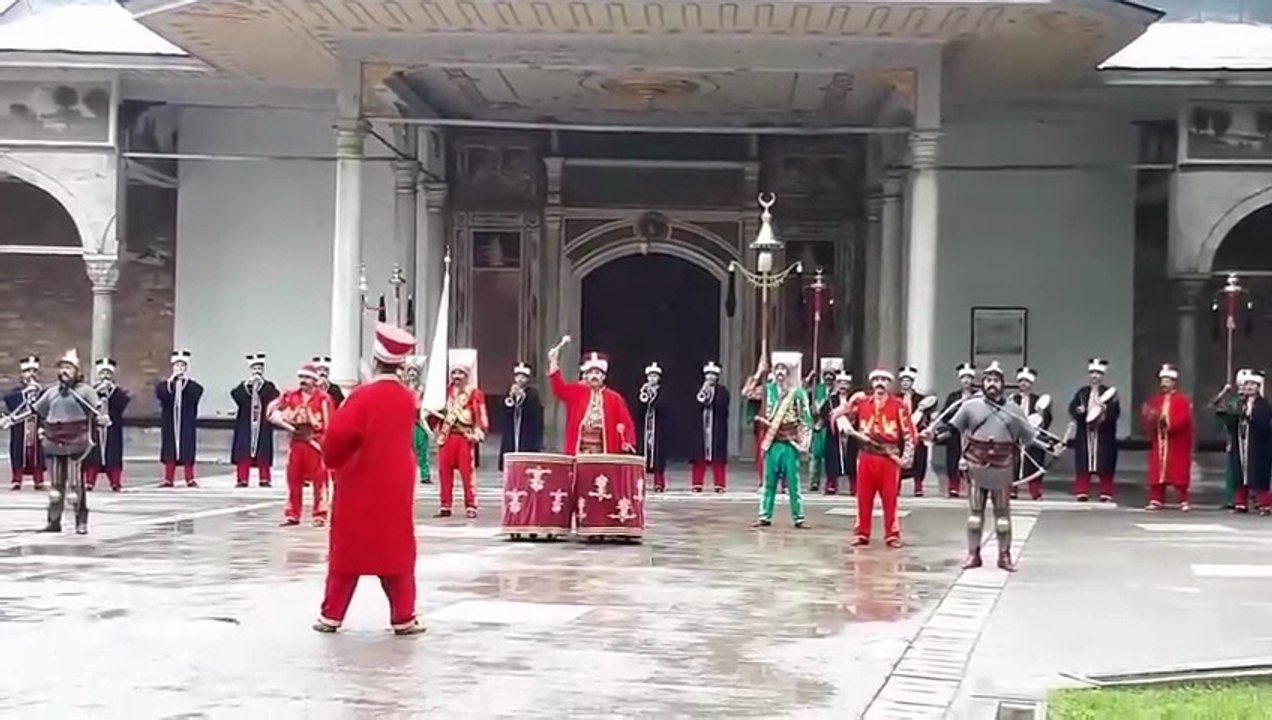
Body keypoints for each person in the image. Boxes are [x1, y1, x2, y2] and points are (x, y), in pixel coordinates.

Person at [313, 323, 425, 635]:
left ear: (374, 361)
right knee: (396, 551)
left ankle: (332, 614)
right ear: (401, 365)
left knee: (349, 552)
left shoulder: (360, 398)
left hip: (359, 484)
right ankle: (403, 616)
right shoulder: (407, 399)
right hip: (396, 487)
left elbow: (336, 439)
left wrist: (332, 461)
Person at [927, 361, 1055, 571]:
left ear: (1002, 384)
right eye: (988, 380)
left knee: (1003, 516)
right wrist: (934, 436)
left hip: (1003, 466)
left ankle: (1004, 556)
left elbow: (1030, 437)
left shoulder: (1013, 410)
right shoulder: (970, 406)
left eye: (996, 380)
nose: (991, 384)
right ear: (982, 383)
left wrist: (1051, 447)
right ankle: (973, 555)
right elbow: (952, 428)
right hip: (976, 464)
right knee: (975, 516)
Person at [2, 350, 104, 534]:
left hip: (76, 442)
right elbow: (34, 410)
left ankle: (80, 521)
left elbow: (99, 408)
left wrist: (104, 418)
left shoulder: (85, 391)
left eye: (68, 368)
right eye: (62, 368)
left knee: (74, 484)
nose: (64, 371)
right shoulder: (51, 392)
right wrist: (12, 420)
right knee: (56, 486)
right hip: (53, 441)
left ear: (76, 371)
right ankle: (54, 521)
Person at [834, 368, 915, 547]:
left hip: (888, 456)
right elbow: (843, 418)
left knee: (890, 498)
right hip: (866, 455)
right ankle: (862, 533)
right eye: (876, 379)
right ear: (872, 383)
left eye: (884, 380)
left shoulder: (899, 405)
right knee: (863, 497)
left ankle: (892, 534)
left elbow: (909, 434)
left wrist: (906, 458)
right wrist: (849, 403)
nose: (880, 383)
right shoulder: (862, 403)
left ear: (889, 384)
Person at [745, 351, 813, 529]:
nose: (780, 372)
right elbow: (747, 393)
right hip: (772, 440)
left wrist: (804, 442)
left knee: (793, 482)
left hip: (789, 441)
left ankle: (799, 517)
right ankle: (764, 515)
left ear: (789, 372)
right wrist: (759, 372)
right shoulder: (767, 391)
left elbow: (806, 418)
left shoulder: (797, 392)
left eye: (784, 369)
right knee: (769, 481)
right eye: (777, 369)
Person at [269, 363, 335, 527]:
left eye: (307, 378)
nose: (303, 381)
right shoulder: (291, 396)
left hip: (315, 442)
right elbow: (272, 410)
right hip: (296, 442)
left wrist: (325, 444)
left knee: (320, 480)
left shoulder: (323, 398)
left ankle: (320, 514)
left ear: (314, 380)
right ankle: (292, 514)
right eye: (302, 378)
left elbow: (328, 424)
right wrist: (285, 422)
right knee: (293, 479)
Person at [430, 349, 488, 518]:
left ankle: (471, 505)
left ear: (466, 375)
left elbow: (480, 414)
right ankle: (445, 505)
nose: (456, 376)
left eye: (460, 373)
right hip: (447, 436)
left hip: (464, 437)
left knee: (467, 473)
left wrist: (478, 432)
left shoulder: (474, 394)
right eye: (454, 372)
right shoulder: (444, 392)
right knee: (444, 472)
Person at [547, 349, 636, 455]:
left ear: (603, 377)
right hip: (579, 450)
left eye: (597, 373)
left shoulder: (615, 398)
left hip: (604, 451)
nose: (594, 376)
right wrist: (553, 361)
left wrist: (627, 441)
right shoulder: (577, 392)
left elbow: (626, 422)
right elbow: (559, 389)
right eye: (591, 373)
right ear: (586, 376)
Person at [1216, 369, 1272, 515]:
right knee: (1239, 473)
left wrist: (1249, 418)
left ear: (1258, 387)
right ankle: (1240, 502)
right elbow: (1231, 424)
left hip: (1258, 445)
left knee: (1259, 474)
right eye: (1247, 385)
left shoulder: (1264, 405)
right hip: (1240, 443)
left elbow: (1265, 424)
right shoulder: (1239, 403)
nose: (1249, 388)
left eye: (1252, 385)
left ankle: (1264, 504)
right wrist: (1228, 416)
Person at [1141, 363, 1195, 512]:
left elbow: (1184, 420)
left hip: (1176, 442)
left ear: (1173, 382)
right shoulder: (1155, 400)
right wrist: (1150, 418)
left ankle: (1183, 500)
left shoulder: (1182, 400)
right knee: (1157, 471)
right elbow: (1149, 420)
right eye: (1162, 381)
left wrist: (1167, 423)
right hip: (1160, 441)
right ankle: (1156, 498)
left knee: (1178, 472)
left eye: (1167, 381)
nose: (1164, 384)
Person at [1069, 358, 1120, 502]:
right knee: (1083, 463)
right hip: (1085, 434)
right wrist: (1079, 411)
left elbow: (1115, 412)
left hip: (1103, 434)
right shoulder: (1082, 393)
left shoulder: (1109, 393)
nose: (1095, 376)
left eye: (1098, 373)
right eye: (1092, 373)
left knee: (1105, 463)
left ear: (1102, 376)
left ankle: (1106, 492)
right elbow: (1073, 408)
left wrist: (1104, 413)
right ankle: (1082, 491)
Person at [231, 353, 280, 488]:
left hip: (262, 425)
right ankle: (242, 479)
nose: (257, 371)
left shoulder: (269, 386)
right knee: (243, 452)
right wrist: (247, 386)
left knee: (263, 452)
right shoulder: (245, 386)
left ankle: (264, 478)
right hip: (246, 424)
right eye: (254, 369)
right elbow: (236, 397)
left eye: (259, 369)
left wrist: (261, 386)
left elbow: (275, 397)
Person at [156, 350, 203, 487]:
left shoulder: (192, 386)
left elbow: (196, 394)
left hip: (186, 423)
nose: (179, 369)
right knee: (169, 449)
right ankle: (168, 479)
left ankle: (190, 478)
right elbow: (161, 395)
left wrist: (184, 383)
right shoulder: (165, 385)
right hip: (170, 423)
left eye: (182, 366)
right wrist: (171, 382)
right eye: (177, 366)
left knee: (187, 449)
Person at [84, 358, 131, 492]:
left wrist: (110, 416)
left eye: (108, 374)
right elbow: (86, 406)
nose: (105, 376)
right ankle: (90, 481)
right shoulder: (92, 391)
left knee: (113, 455)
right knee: (93, 455)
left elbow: (122, 405)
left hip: (112, 428)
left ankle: (115, 482)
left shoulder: (118, 393)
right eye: (103, 373)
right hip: (96, 428)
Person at [1010, 366, 1052, 501]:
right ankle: (1012, 489)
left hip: (1032, 436)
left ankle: (1035, 491)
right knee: (1012, 463)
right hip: (1015, 436)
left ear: (1031, 383)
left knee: (1034, 464)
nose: (1023, 384)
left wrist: (1041, 417)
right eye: (1021, 381)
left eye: (1026, 381)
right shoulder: (1012, 399)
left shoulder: (1038, 400)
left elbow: (1047, 419)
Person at [4, 355, 45, 490]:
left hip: (37, 427)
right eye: (28, 371)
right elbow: (10, 400)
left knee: (38, 454)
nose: (31, 375)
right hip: (20, 428)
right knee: (18, 452)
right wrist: (25, 393)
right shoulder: (15, 392)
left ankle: (38, 480)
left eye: (34, 371)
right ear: (22, 374)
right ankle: (16, 479)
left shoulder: (42, 392)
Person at [690, 360, 731, 493]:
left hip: (716, 428)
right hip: (701, 427)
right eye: (708, 374)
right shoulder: (698, 389)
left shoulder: (723, 391)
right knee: (699, 456)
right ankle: (697, 483)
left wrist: (711, 398)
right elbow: (695, 405)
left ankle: (719, 484)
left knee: (718, 457)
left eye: (713, 374)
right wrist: (703, 393)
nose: (710, 377)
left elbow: (722, 406)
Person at [897, 366, 937, 497]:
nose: (906, 383)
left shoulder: (922, 399)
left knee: (919, 459)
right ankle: (896, 484)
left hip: (917, 433)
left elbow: (930, 416)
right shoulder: (895, 398)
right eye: (903, 380)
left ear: (912, 382)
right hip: (899, 434)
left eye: (908, 380)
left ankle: (918, 485)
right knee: (897, 459)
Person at [940, 364, 978, 498]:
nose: (966, 381)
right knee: (952, 459)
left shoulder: (978, 396)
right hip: (955, 433)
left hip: (972, 434)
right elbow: (945, 415)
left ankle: (973, 487)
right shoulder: (953, 397)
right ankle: (953, 486)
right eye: (964, 378)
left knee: (974, 460)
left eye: (969, 378)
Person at [498, 362, 544, 468]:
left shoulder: (533, 392)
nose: (520, 379)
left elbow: (535, 412)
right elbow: (504, 408)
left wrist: (524, 398)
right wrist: (511, 397)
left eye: (523, 377)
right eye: (518, 376)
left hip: (526, 429)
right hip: (512, 428)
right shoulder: (510, 390)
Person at [820, 370, 858, 496]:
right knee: (832, 459)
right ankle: (831, 483)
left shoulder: (854, 399)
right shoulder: (831, 400)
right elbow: (823, 413)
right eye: (840, 382)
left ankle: (854, 485)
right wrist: (832, 416)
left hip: (852, 434)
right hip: (834, 434)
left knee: (852, 459)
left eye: (845, 383)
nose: (843, 385)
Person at [808, 358, 843, 493]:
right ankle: (814, 482)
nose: (828, 377)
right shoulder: (818, 388)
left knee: (831, 457)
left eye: (831, 374)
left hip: (830, 426)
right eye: (826, 374)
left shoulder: (837, 391)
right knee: (815, 455)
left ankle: (831, 482)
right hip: (818, 425)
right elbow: (803, 390)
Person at [639, 361, 669, 492]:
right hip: (645, 427)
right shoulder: (642, 390)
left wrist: (653, 399)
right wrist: (643, 397)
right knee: (643, 456)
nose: (652, 379)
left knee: (658, 457)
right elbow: (638, 408)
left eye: (655, 377)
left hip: (659, 428)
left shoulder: (664, 392)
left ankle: (659, 483)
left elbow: (664, 407)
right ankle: (641, 483)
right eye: (650, 376)